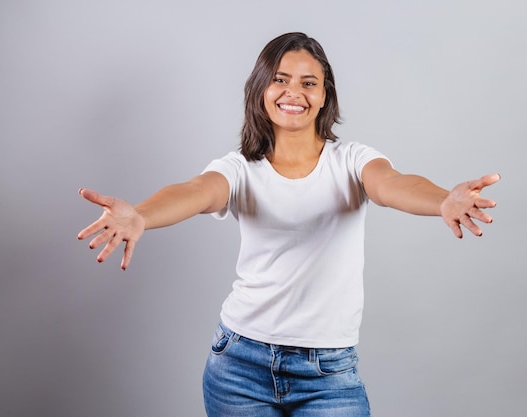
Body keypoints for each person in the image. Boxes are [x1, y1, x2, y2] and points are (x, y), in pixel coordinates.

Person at [77, 32, 500, 417]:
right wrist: (142, 216)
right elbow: (196, 191)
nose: (293, 92)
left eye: (308, 82)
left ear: (323, 95)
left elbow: (392, 184)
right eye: (280, 79)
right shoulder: (240, 169)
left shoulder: (351, 160)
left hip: (328, 374)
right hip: (239, 366)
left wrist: (443, 199)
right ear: (262, 87)